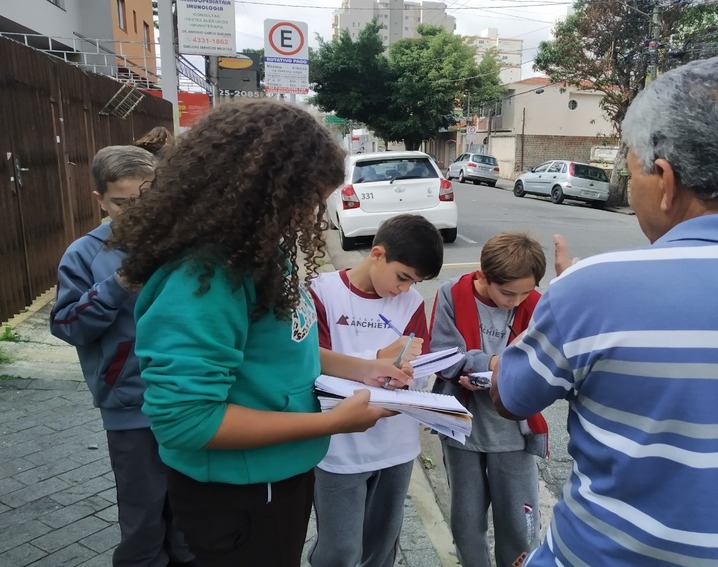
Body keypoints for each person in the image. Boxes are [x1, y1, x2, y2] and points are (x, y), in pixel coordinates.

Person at [491, 56, 718, 565]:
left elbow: (510, 397)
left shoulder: (591, 290)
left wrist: (550, 309)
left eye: (631, 169)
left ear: (665, 178)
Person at [109, 99, 412, 567]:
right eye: (305, 200)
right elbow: (186, 420)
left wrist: (366, 368)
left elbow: (288, 345)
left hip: (277, 473)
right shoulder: (203, 278)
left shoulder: (264, 248)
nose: (313, 215)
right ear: (257, 190)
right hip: (238, 491)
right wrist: (331, 422)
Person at [50, 145, 196, 567]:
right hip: (130, 407)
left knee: (191, 518)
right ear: (99, 199)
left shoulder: (185, 244)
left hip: (191, 402)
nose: (135, 212)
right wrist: (116, 285)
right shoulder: (84, 254)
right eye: (121, 203)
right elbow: (67, 327)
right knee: (144, 519)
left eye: (145, 200)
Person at [308, 214, 444, 567]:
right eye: (402, 277)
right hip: (338, 445)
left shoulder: (412, 303)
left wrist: (411, 375)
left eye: (414, 282)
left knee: (382, 546)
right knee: (340, 551)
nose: (403, 289)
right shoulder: (321, 291)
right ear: (377, 253)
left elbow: (419, 364)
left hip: (395, 445)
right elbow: (311, 362)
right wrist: (377, 360)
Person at [430, 232, 547, 567]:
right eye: (508, 292)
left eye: (526, 292)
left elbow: (543, 361)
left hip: (513, 433)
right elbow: (441, 352)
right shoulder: (453, 293)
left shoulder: (535, 304)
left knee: (520, 522)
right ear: (482, 276)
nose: (516, 301)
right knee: (466, 522)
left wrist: (494, 369)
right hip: (462, 427)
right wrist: (491, 364)